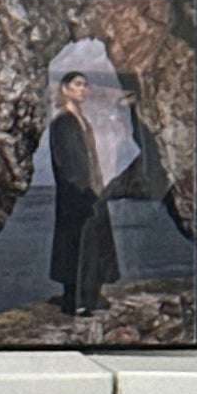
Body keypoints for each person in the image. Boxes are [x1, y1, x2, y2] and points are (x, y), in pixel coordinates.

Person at [47, 66, 121, 316]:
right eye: (77, 84)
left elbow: (89, 159)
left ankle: (89, 296)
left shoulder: (82, 121)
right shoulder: (62, 122)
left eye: (85, 85)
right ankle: (76, 302)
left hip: (90, 191)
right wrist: (81, 191)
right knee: (76, 245)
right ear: (65, 89)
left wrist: (96, 189)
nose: (83, 89)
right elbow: (66, 162)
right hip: (76, 195)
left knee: (92, 244)